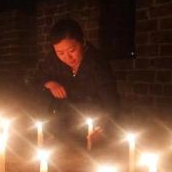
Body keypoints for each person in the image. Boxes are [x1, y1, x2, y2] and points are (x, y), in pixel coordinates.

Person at [34, 18, 120, 146]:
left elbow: (111, 102)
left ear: (83, 42)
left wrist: (102, 129)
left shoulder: (97, 64)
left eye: (71, 51)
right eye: (60, 53)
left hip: (89, 125)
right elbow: (37, 78)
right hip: (61, 121)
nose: (67, 57)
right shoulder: (52, 60)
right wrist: (50, 83)